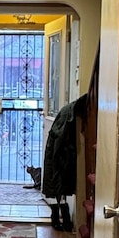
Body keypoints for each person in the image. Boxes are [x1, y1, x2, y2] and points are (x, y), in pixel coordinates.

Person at [42, 94, 87, 230]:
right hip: (58, 152)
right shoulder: (69, 116)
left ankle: (60, 217)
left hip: (60, 151)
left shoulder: (70, 111)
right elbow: (59, 142)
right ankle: (59, 217)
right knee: (57, 184)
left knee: (58, 185)